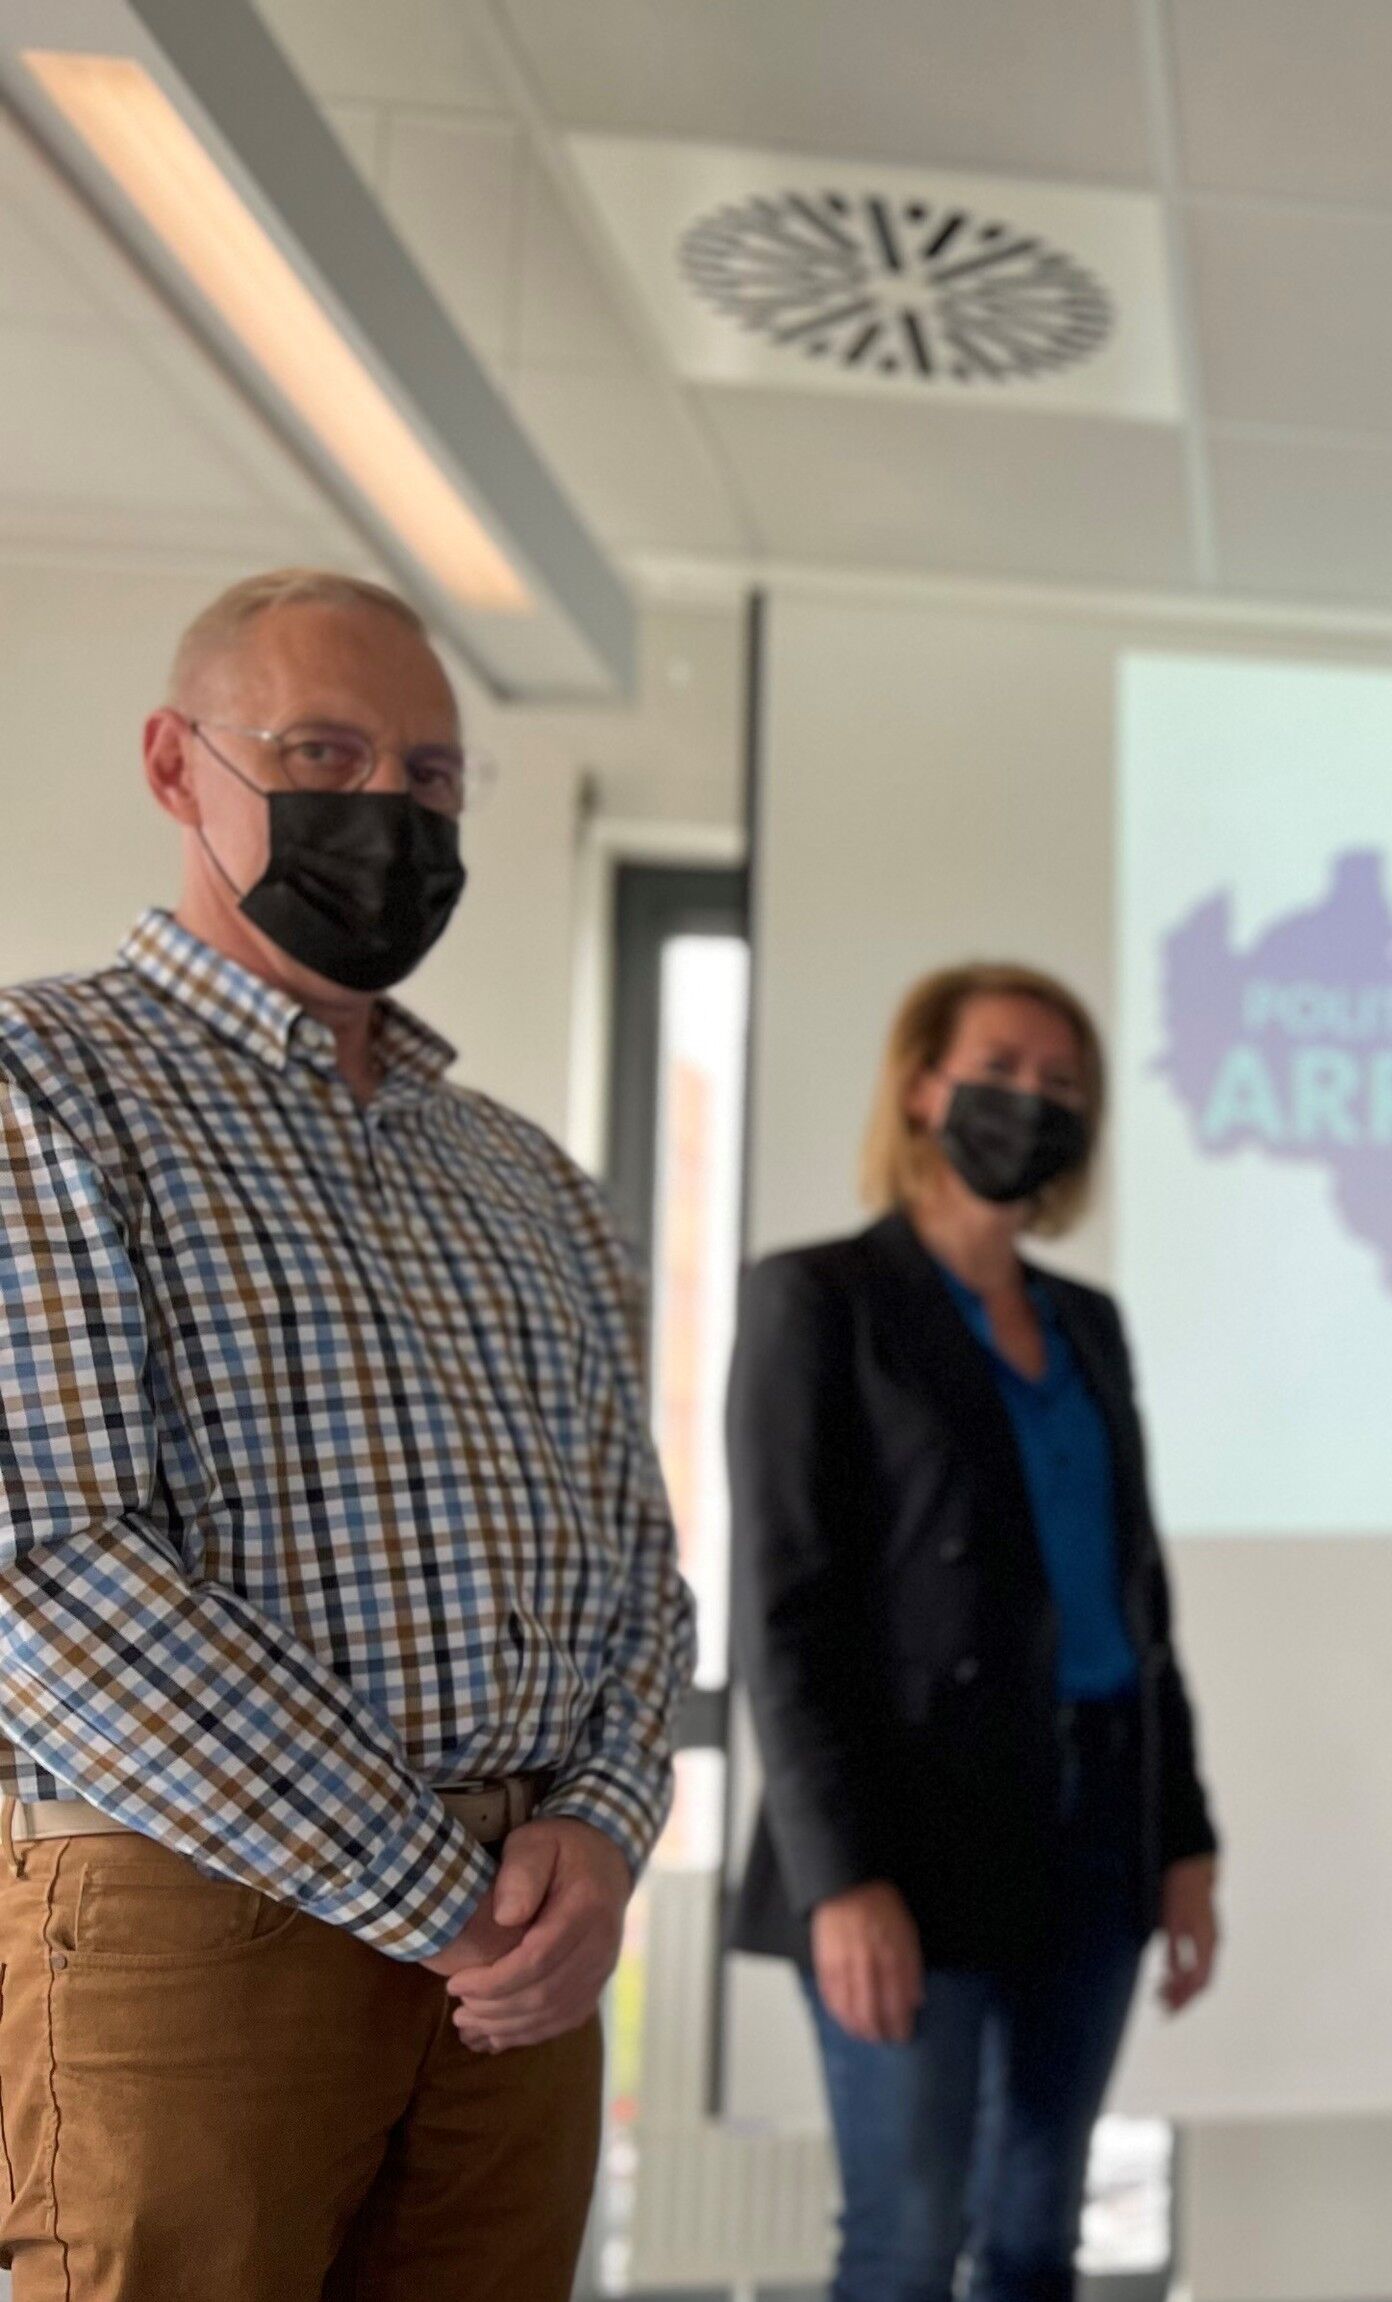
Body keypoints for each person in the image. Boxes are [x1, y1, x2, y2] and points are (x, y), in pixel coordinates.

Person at [0, 568, 693, 2296]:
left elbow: (638, 1565)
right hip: (197, 1913)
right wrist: (432, 1887)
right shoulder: (41, 1083)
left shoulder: (526, 1176)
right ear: (177, 764)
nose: (387, 807)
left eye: (431, 776)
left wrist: (604, 1828)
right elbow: (46, 1565)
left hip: (524, 1946)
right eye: (323, 751)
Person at [730, 964, 1224, 2302]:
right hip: (907, 1837)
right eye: (999, 1070)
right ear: (919, 1089)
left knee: (1033, 2238)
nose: (1032, 1101)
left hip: (1095, 1826)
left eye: (1062, 1083)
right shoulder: (818, 1297)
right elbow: (784, 1613)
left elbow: (1140, 1602)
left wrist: (1183, 1839)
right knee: (906, 2244)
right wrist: (840, 1879)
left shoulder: (1088, 1323)